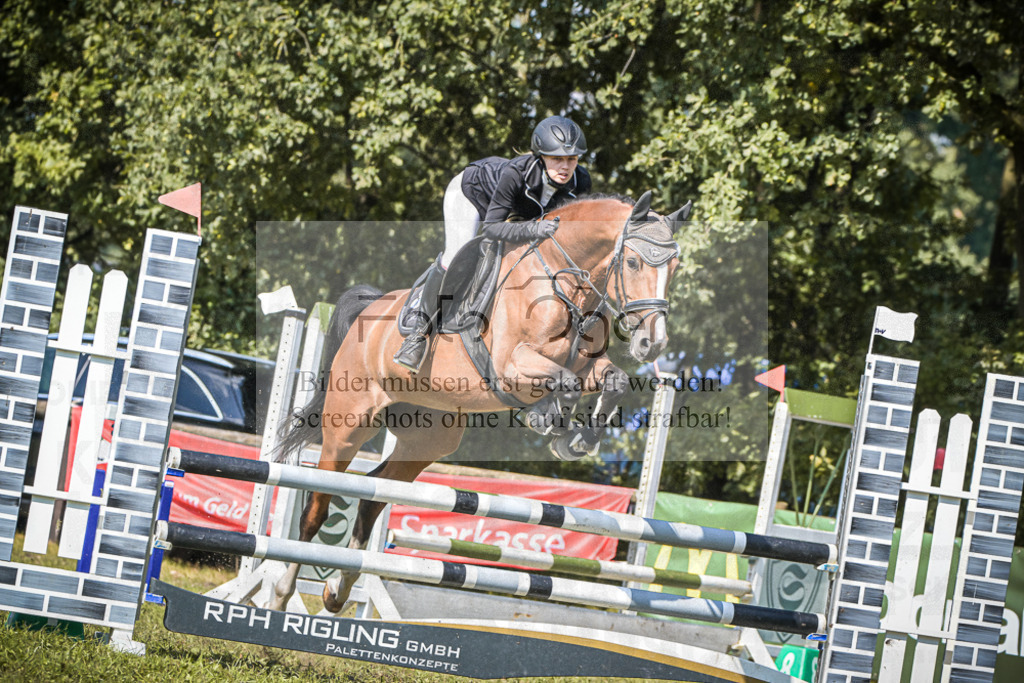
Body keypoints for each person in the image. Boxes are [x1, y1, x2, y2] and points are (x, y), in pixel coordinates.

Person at [394, 115, 592, 373]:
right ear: (541, 156)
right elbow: (491, 228)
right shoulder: (516, 173)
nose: (565, 166)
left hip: (517, 213)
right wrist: (534, 228)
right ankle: (418, 333)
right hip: (472, 194)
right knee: (456, 256)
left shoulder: (581, 182)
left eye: (572, 159)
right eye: (557, 159)